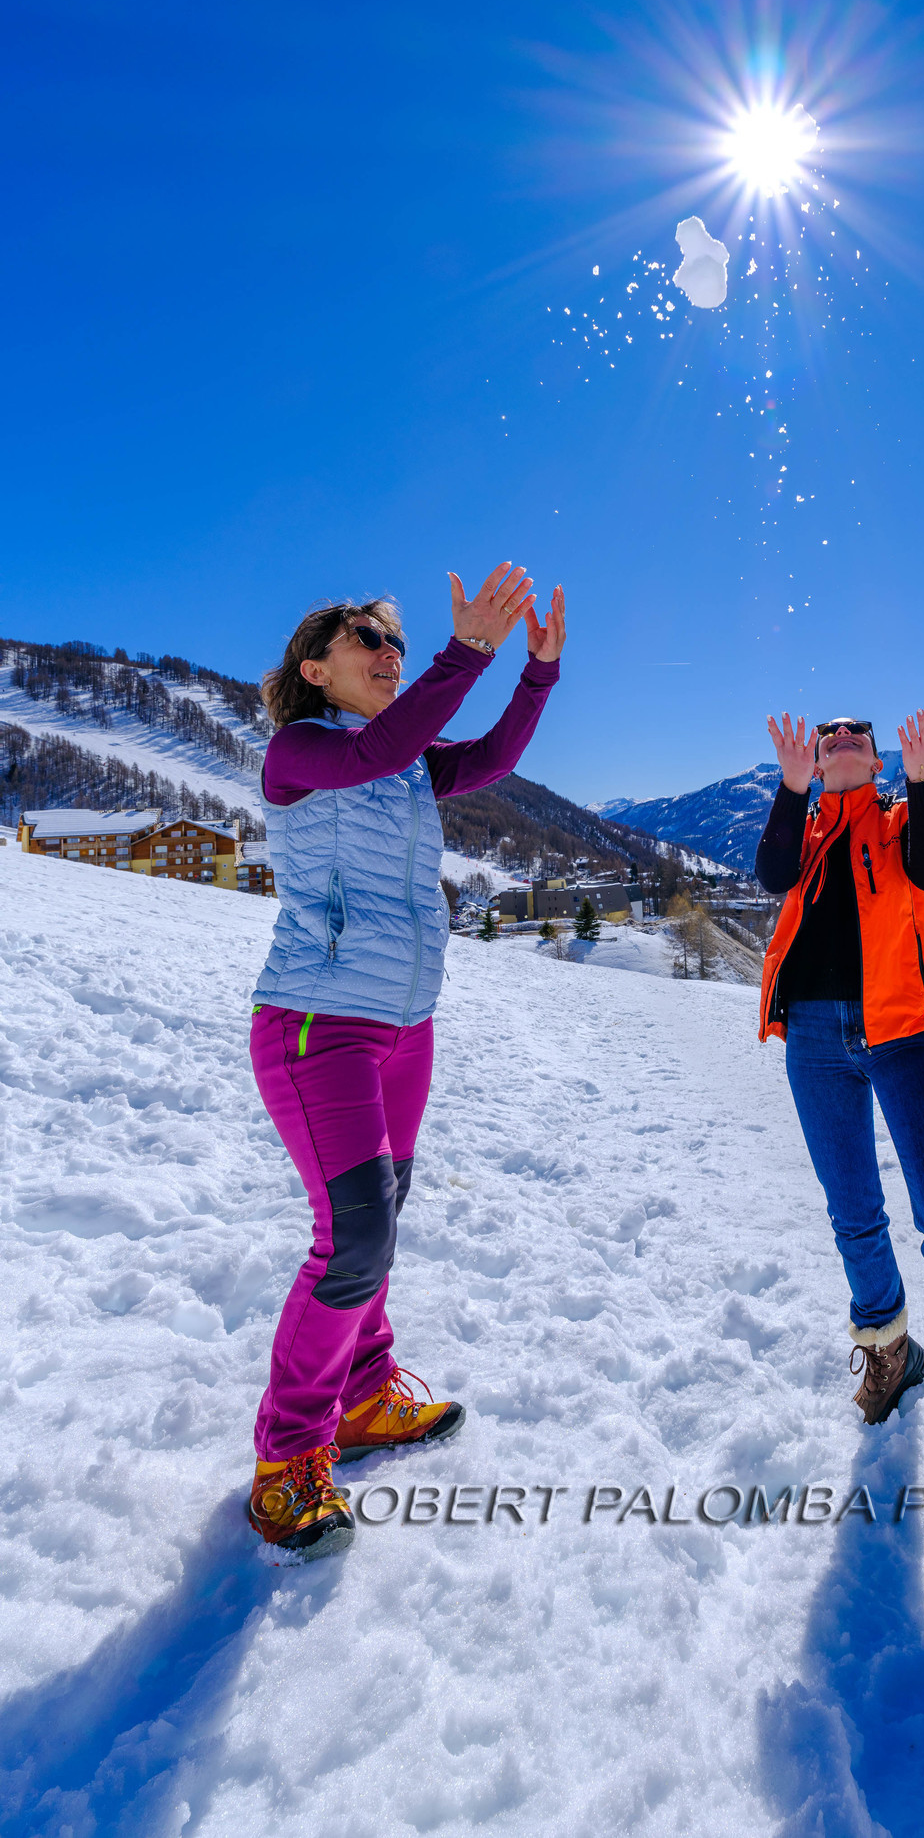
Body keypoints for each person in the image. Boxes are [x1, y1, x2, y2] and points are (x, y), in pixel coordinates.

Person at [245, 563, 566, 1559]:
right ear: (315, 667)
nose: (388, 651)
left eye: (396, 640)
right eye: (367, 640)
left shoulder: (403, 765)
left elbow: (493, 758)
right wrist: (462, 649)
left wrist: (537, 672)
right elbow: (388, 742)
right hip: (316, 1025)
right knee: (352, 1240)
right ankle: (286, 1462)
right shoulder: (301, 751)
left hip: (403, 1027)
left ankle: (366, 1394)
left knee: (381, 1219)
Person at [755, 709, 924, 1532]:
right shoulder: (805, 829)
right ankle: (890, 1348)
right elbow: (770, 876)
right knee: (854, 1212)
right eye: (829, 733)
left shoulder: (903, 819)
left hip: (904, 1033)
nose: (840, 736)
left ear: (872, 760)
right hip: (814, 1038)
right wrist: (792, 789)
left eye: (855, 735)